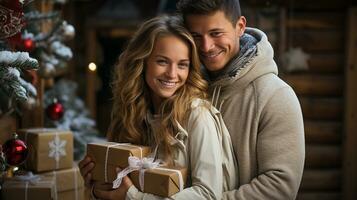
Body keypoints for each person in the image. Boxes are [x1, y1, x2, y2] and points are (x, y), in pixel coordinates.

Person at [79, 15, 238, 200]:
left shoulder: (197, 115)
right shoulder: (130, 112)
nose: (172, 74)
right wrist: (95, 186)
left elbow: (208, 194)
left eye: (182, 65)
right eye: (162, 61)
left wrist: (133, 196)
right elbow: (116, 187)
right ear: (143, 62)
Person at [176, 0, 305, 199]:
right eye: (196, 36)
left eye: (216, 33)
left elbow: (279, 188)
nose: (206, 46)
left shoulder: (276, 96)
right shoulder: (182, 87)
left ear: (240, 27)